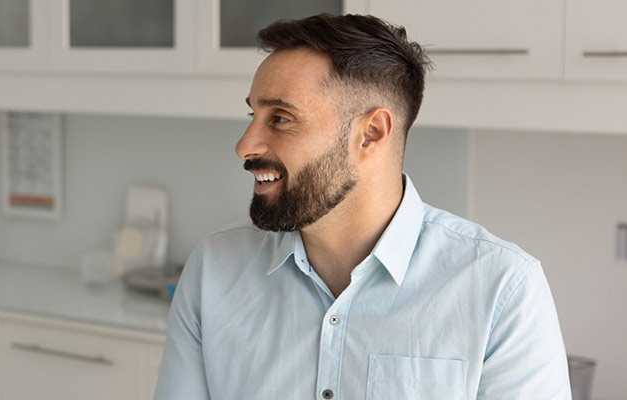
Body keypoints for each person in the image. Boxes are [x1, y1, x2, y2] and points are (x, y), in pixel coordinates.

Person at [155, 14, 570, 400]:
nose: (245, 145)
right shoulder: (214, 269)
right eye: (253, 114)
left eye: (280, 118)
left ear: (371, 133)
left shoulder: (503, 289)